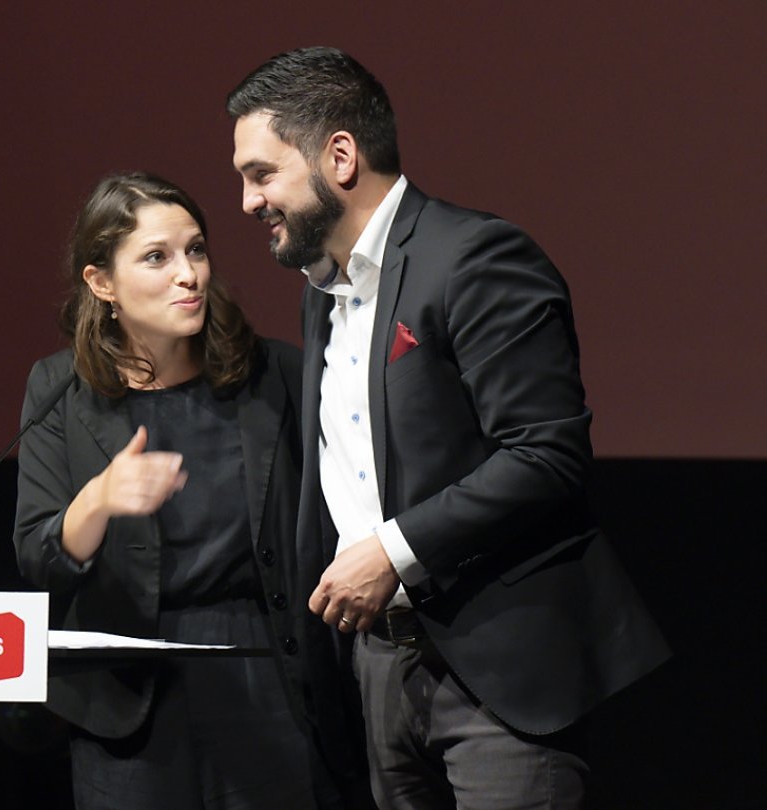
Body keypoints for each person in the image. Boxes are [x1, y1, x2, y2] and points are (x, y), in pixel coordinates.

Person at [227, 47, 671, 809]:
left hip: (496, 672)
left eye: (261, 172)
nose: (246, 201)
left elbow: (546, 454)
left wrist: (393, 554)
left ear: (339, 156)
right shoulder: (322, 294)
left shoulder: (473, 258)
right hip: (379, 674)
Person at [13, 172, 344, 810]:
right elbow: (38, 556)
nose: (188, 274)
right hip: (130, 696)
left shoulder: (274, 374)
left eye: (195, 250)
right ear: (101, 283)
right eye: (157, 258)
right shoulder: (59, 388)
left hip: (264, 674)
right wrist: (99, 500)